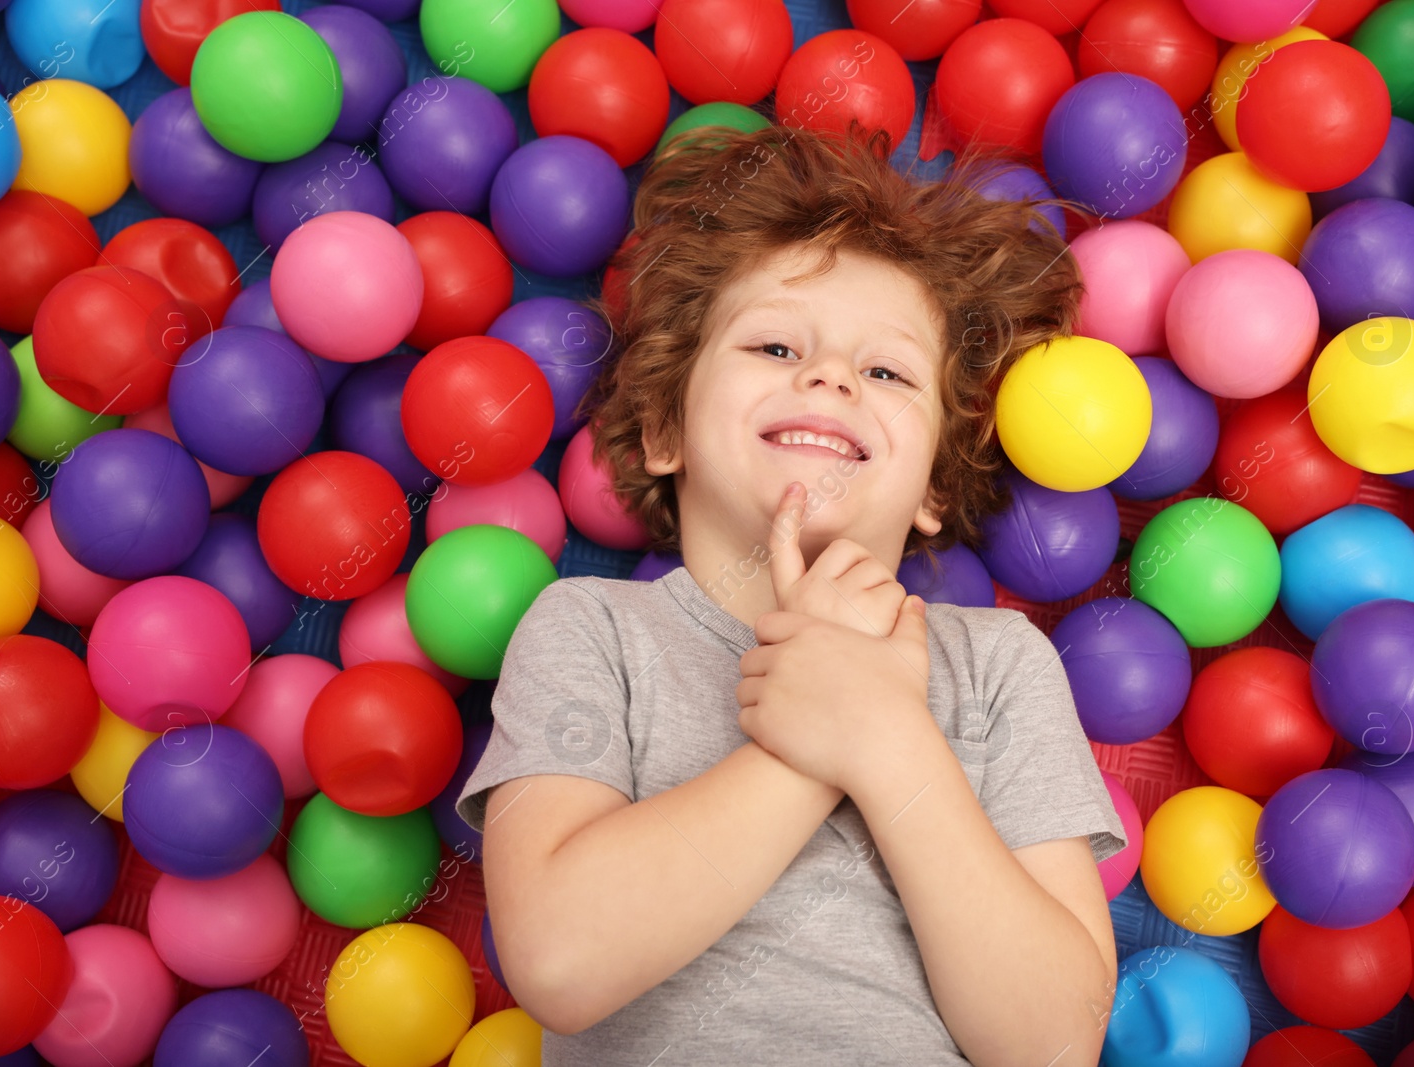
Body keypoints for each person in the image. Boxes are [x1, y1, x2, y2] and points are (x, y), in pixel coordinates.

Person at [455, 119, 1127, 1066]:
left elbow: (1052, 1041)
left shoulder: (998, 667)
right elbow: (559, 963)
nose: (829, 375)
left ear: (934, 485)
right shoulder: (593, 629)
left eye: (886, 370)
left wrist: (888, 739)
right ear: (664, 434)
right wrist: (813, 744)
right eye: (773, 347)